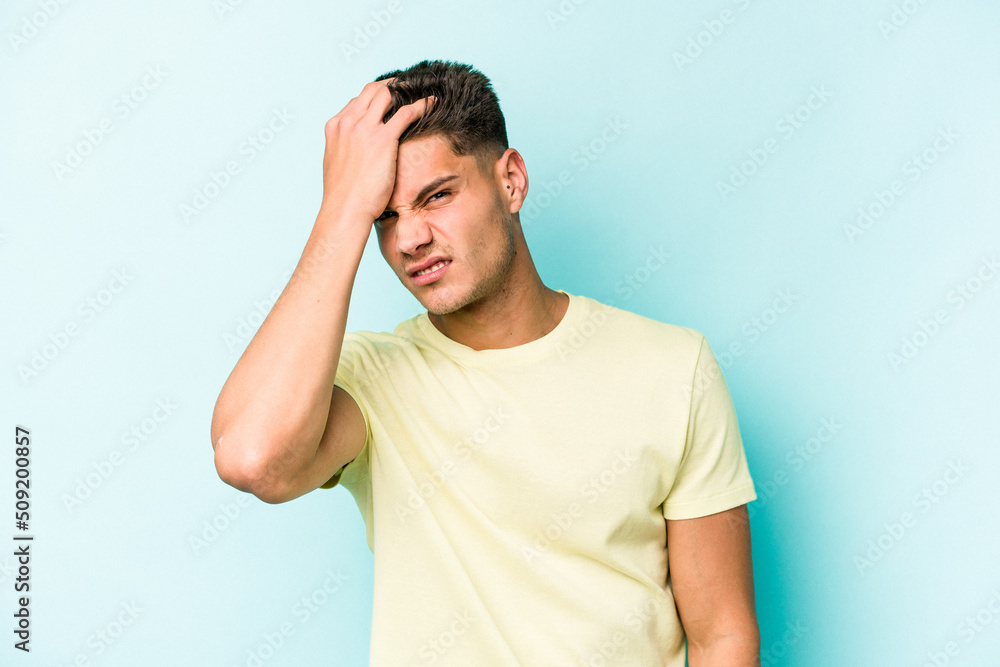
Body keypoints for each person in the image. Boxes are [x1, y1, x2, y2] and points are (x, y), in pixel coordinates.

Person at [211, 59, 760, 666]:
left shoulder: (674, 367)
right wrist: (341, 209)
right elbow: (250, 458)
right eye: (384, 217)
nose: (410, 239)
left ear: (512, 181)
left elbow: (722, 637)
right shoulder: (371, 382)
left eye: (436, 196)